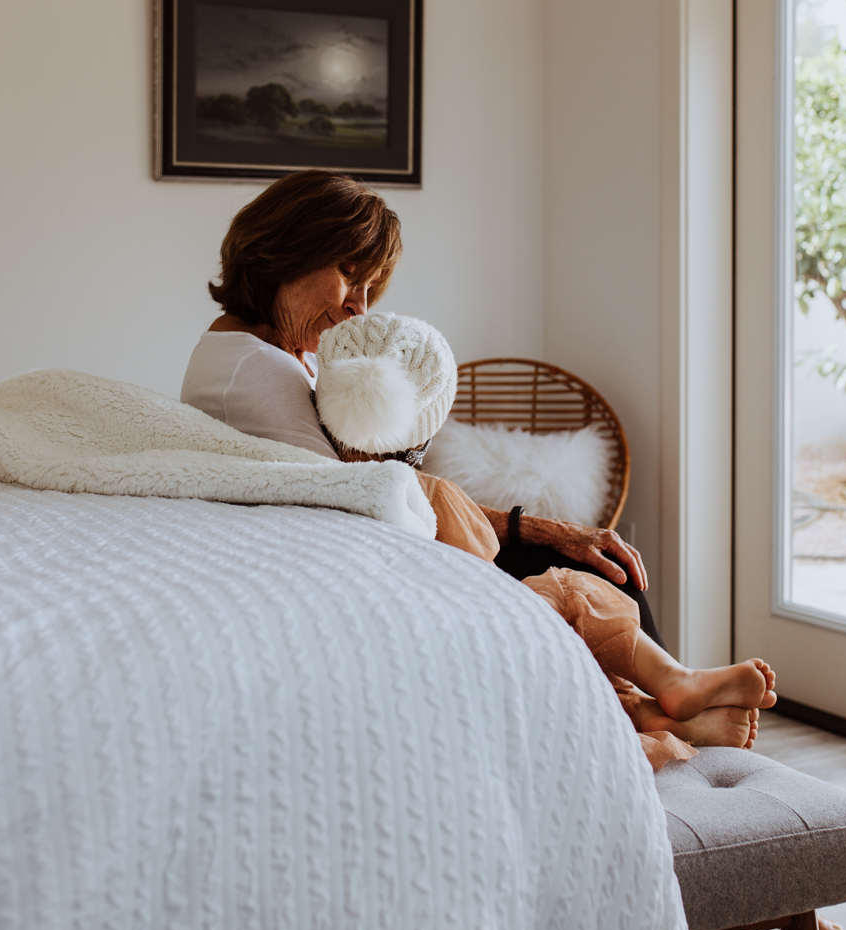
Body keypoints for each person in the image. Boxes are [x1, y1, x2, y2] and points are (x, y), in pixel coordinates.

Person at [181, 168, 657, 634]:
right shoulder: (258, 369)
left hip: (398, 539)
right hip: (379, 562)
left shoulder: (268, 353)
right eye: (349, 274)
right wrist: (536, 529)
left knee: (605, 571)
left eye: (370, 287)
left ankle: (665, 700)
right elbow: (362, 502)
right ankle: (665, 700)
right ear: (285, 250)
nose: (360, 307)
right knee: (608, 576)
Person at [311, 310, 775, 769]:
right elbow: (482, 574)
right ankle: (670, 683)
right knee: (573, 594)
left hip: (424, 637)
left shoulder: (317, 485)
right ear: (426, 434)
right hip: (478, 639)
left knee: (569, 621)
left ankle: (654, 714)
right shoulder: (433, 494)